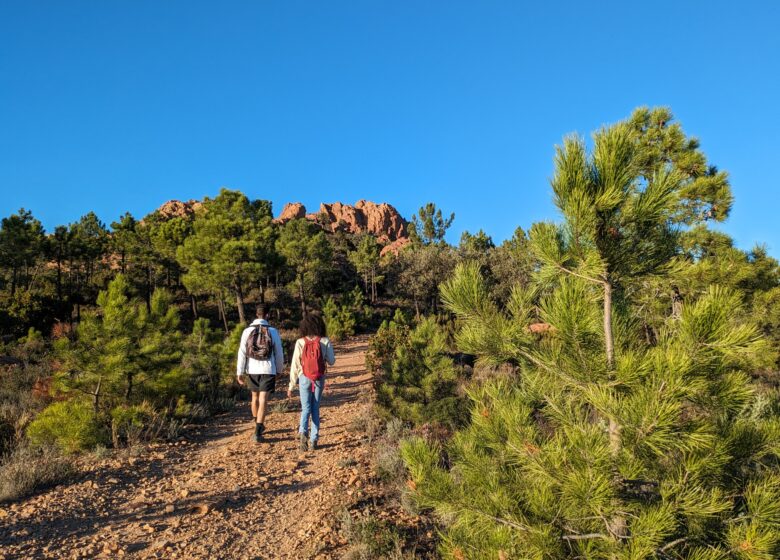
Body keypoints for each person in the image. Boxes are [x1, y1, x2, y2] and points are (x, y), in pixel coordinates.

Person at [236, 303, 285, 443]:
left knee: (254, 397)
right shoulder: (273, 331)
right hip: (268, 369)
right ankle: (258, 431)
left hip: (252, 369)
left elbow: (242, 353)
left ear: (256, 314)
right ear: (268, 315)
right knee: (264, 398)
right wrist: (279, 370)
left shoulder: (247, 331)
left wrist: (239, 371)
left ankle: (258, 424)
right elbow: (279, 352)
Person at [287, 313, 335, 451]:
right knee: (315, 407)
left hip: (304, 378)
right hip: (319, 378)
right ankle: (314, 440)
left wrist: (291, 385)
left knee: (306, 408)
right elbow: (332, 361)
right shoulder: (324, 341)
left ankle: (303, 434)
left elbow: (295, 366)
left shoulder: (300, 342)